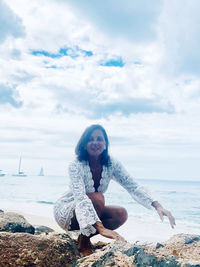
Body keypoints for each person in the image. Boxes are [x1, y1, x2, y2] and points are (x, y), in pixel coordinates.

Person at [54, 124, 175, 256]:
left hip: (90, 208)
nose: (95, 142)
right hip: (68, 211)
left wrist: (157, 205)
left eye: (99, 139)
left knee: (120, 214)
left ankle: (84, 238)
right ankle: (83, 245)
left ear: (105, 143)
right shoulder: (75, 165)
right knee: (98, 198)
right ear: (84, 144)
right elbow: (81, 198)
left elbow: (132, 185)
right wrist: (101, 228)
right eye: (90, 139)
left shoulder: (111, 164)